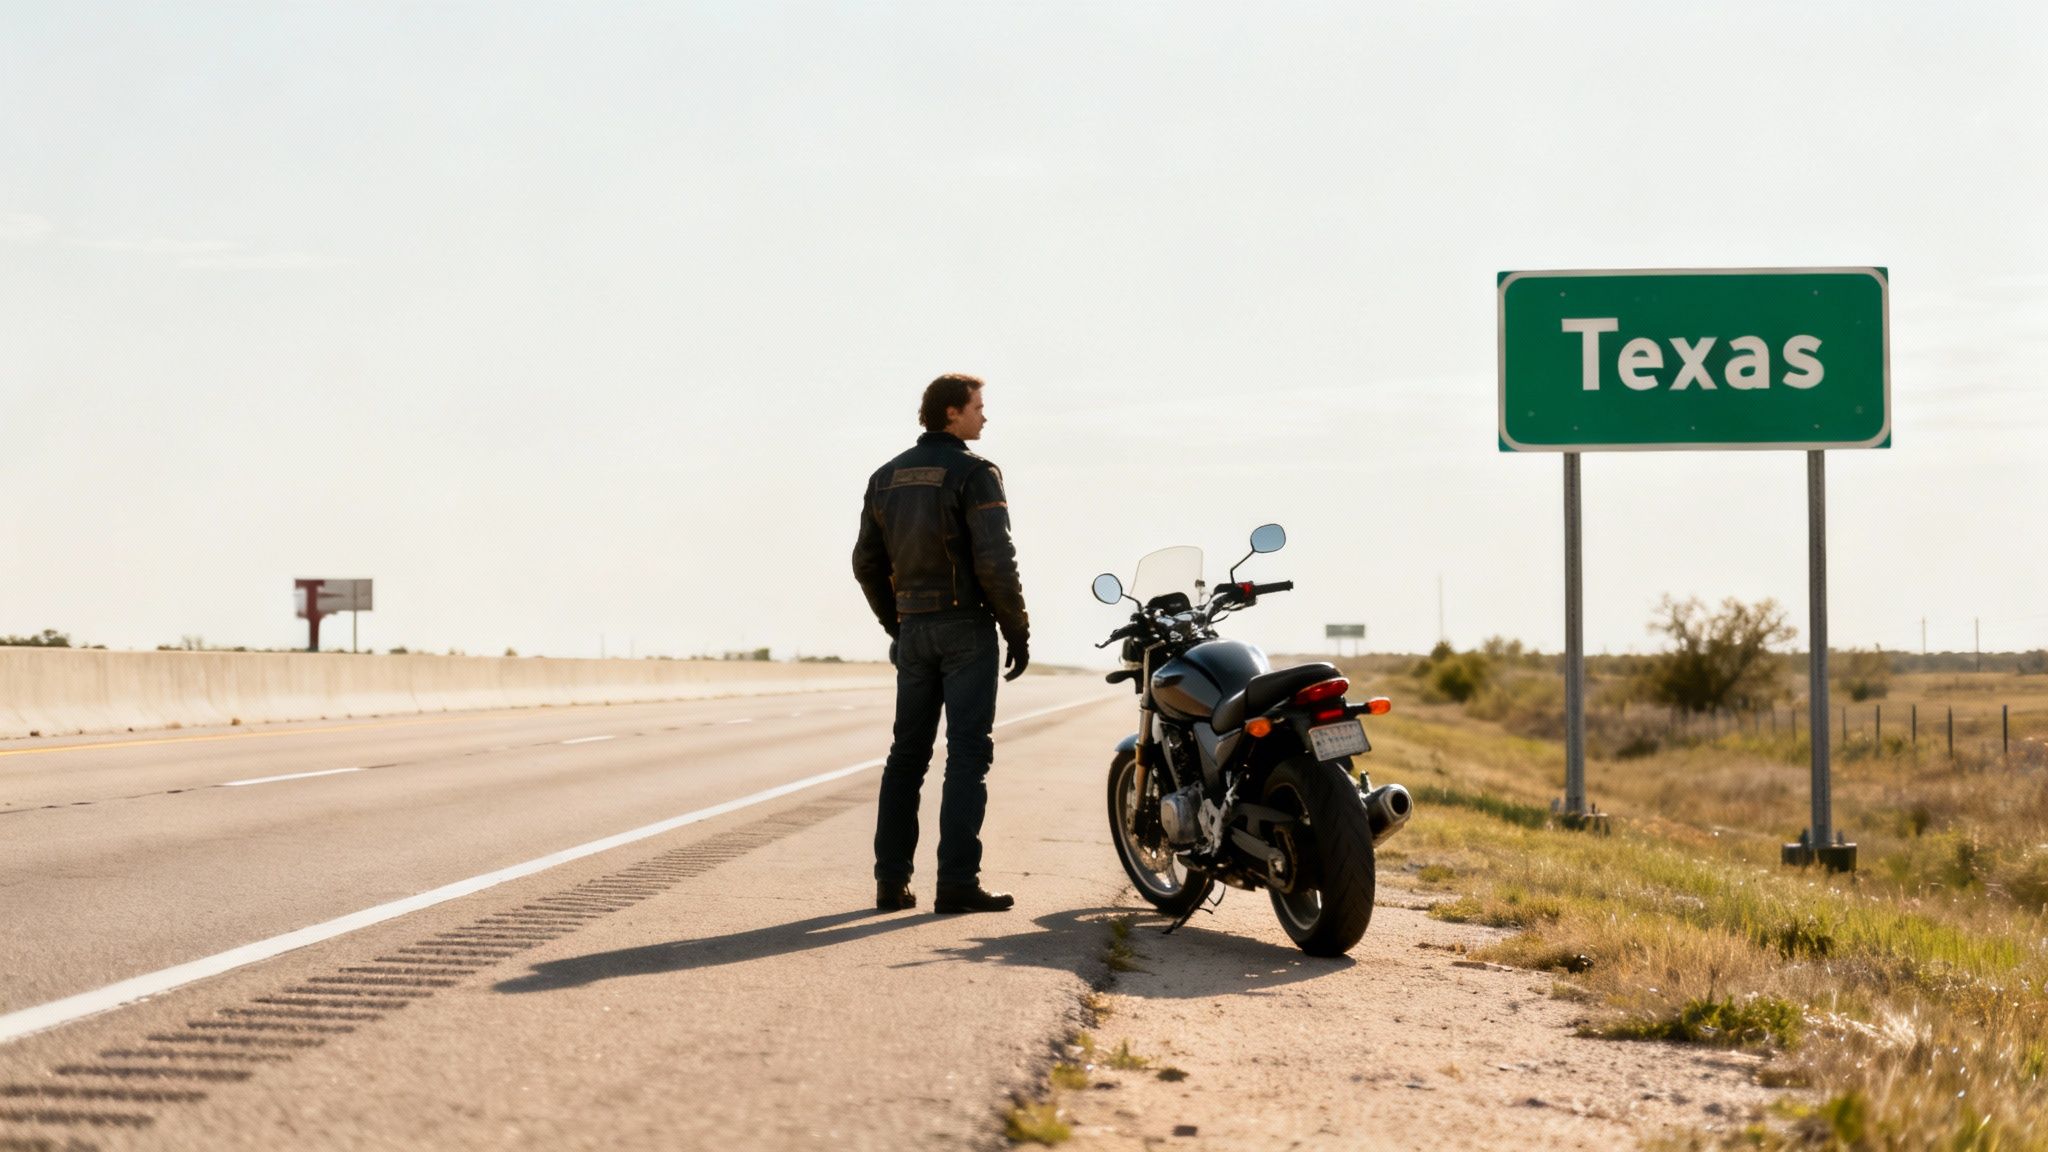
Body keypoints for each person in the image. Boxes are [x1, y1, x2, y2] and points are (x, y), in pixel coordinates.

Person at [852, 373, 1030, 914]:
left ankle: (891, 883)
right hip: (965, 627)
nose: (985, 416)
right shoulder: (976, 473)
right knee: (967, 757)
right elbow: (995, 560)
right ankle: (955, 883)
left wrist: (897, 624)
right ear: (951, 412)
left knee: (906, 757)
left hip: (914, 628)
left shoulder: (885, 477)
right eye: (978, 406)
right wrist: (1016, 627)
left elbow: (866, 564)